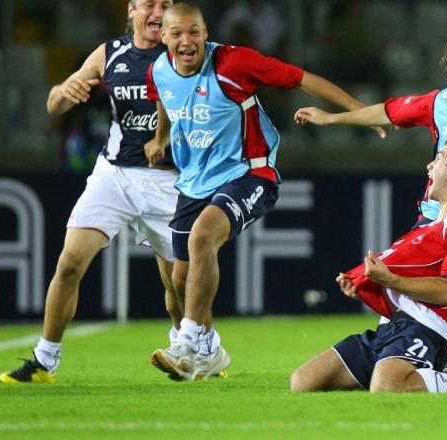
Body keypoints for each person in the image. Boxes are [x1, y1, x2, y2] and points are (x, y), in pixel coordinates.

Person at [143, 3, 382, 381]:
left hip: (250, 173)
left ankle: (186, 342)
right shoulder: (157, 70)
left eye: (194, 32)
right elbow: (164, 102)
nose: (186, 41)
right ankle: (210, 350)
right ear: (164, 37)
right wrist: (160, 140)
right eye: (177, 34)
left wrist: (362, 113)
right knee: (180, 279)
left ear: (206, 32)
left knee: (203, 236)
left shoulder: (235, 63)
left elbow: (302, 78)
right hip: (194, 181)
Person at [294, 26, 447, 368]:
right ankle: (388, 358)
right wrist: (333, 118)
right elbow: (388, 112)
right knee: (398, 290)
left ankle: (440, 368)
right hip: (436, 219)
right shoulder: (440, 103)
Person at [0, 0, 216, 385]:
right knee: (69, 263)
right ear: (131, 10)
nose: (157, 11)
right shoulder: (108, 53)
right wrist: (66, 89)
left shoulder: (185, 56)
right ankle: (44, 360)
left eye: (165, 5)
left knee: (179, 283)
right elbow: (53, 104)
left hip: (169, 180)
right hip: (113, 175)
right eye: (150, 4)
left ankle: (199, 349)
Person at [289, 135, 447, 393]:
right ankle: (407, 375)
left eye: (439, 159)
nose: (429, 166)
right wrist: (371, 287)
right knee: (303, 382)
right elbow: (405, 282)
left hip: (428, 329)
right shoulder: (428, 229)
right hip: (391, 326)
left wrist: (388, 279)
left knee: (387, 385)